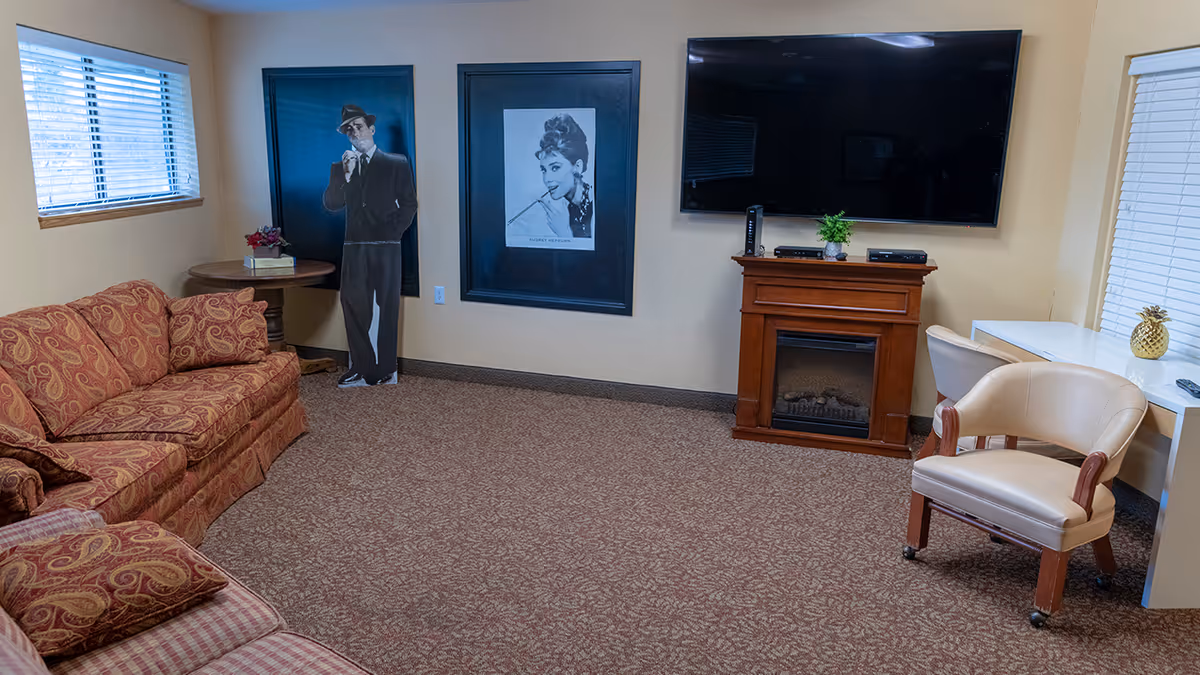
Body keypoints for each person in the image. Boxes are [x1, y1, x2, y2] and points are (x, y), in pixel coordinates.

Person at [323, 104, 418, 388]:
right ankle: (361, 367)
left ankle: (386, 367)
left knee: (386, 305)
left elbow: (410, 204)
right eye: (349, 129)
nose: (355, 132)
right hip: (353, 246)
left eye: (359, 126)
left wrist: (394, 232)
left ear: (371, 129)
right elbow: (332, 204)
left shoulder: (396, 162)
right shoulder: (340, 167)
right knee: (353, 304)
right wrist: (346, 176)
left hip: (387, 246)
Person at [535, 113, 593, 239]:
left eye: (555, 168)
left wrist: (564, 232)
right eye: (544, 170)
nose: (546, 179)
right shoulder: (570, 210)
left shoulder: (595, 205)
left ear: (577, 166)